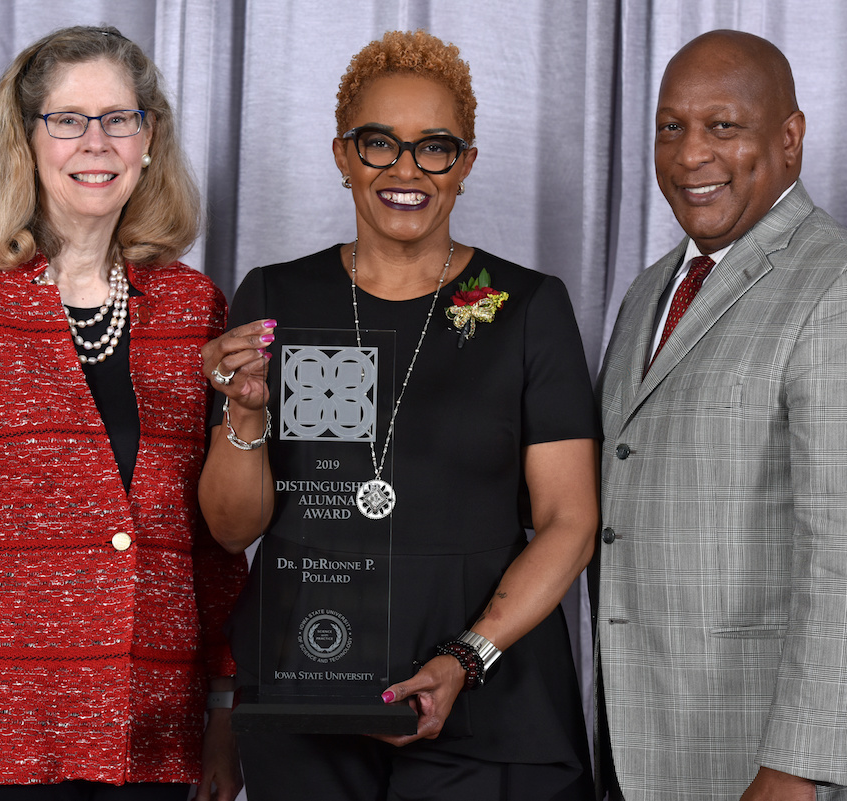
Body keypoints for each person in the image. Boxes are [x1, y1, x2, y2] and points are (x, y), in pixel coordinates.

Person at [198, 30, 599, 801]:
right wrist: (244, 416)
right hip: (310, 690)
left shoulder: (526, 308)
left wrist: (465, 658)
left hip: (492, 701)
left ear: (467, 162)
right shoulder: (279, 302)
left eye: (435, 147)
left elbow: (569, 521)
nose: (406, 170)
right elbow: (230, 529)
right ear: (343, 155)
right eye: (379, 144)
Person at [0, 25, 246, 801]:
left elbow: (210, 549)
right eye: (68, 120)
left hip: (154, 730)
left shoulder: (192, 307)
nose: (95, 142)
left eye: (119, 118)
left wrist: (223, 715)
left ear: (149, 139)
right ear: (26, 138)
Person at [592, 29, 847, 801]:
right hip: (645, 752)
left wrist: (795, 769)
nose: (691, 155)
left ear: (789, 139)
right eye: (671, 127)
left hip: (776, 767)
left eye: (724, 126)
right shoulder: (651, 293)